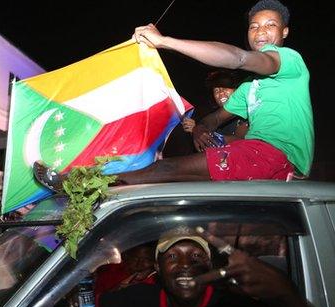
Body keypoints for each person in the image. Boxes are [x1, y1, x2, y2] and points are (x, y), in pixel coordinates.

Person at [33, 0, 313, 191]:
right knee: (170, 181)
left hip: (276, 155)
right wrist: (200, 129)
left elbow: (238, 58)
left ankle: (74, 183)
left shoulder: (288, 61)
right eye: (254, 26)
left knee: (163, 171)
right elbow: (215, 118)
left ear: (284, 31)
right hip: (258, 158)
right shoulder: (250, 88)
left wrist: (164, 42)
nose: (261, 31)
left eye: (270, 25)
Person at [97, 226, 334, 307]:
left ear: (210, 265)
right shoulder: (137, 300)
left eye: (197, 255)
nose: (185, 265)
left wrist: (285, 294)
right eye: (172, 257)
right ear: (156, 268)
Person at [182, 69, 249, 146]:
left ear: (237, 90)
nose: (220, 92)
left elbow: (240, 141)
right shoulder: (213, 119)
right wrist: (196, 130)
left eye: (225, 87)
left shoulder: (247, 111)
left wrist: (202, 134)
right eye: (216, 90)